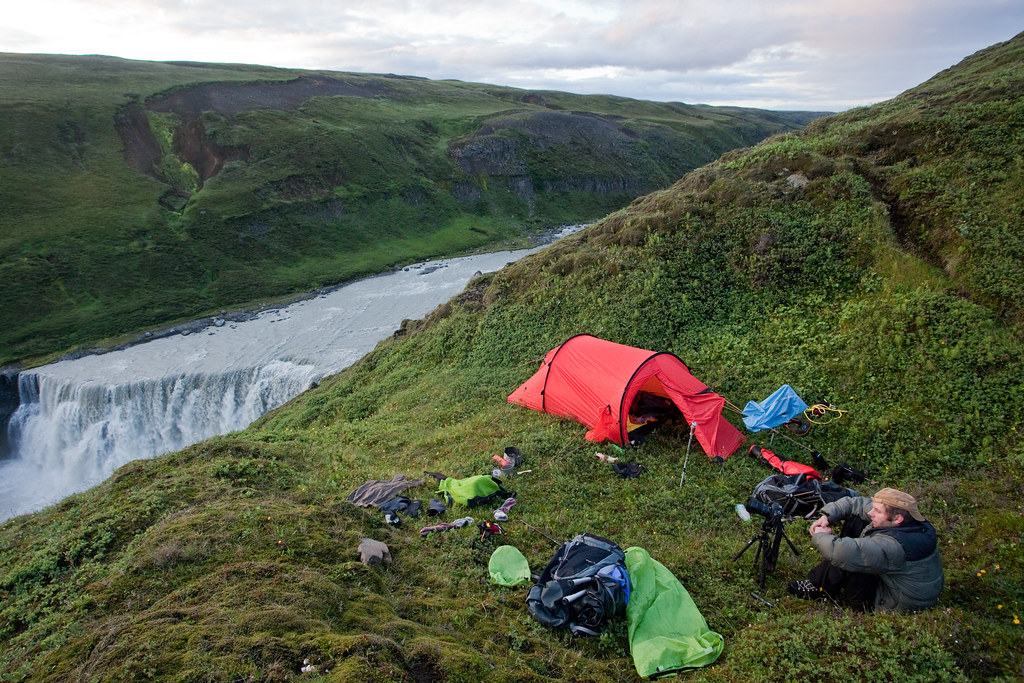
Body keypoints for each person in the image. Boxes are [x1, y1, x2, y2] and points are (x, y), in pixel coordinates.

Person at [788, 487, 943, 612]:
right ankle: (829, 580)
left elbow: (840, 552)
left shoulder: (894, 546)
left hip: (894, 602)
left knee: (850, 557)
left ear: (898, 518)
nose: (871, 513)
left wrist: (820, 535)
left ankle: (818, 587)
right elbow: (856, 504)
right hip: (898, 584)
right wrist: (826, 516)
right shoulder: (912, 524)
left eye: (878, 511)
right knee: (857, 518)